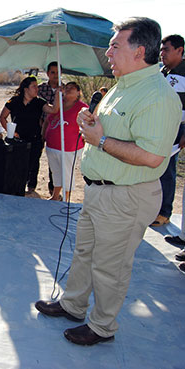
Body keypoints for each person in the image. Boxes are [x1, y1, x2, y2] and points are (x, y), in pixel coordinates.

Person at [35, 18, 181, 346]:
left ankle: (102, 326)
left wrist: (100, 141)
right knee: (85, 252)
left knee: (110, 266)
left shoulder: (158, 95)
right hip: (101, 191)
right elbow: (114, 129)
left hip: (126, 196)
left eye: (115, 45)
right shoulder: (124, 85)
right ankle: (73, 305)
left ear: (140, 50)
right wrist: (93, 122)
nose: (108, 52)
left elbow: (152, 157)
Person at [0, 76, 60, 193]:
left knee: (33, 163)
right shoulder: (14, 101)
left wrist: (57, 95)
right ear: (26, 89)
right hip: (18, 140)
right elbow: (2, 117)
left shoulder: (39, 102)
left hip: (35, 138)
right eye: (34, 86)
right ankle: (17, 184)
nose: (37, 89)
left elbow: (54, 110)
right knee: (17, 163)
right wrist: (10, 131)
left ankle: (31, 186)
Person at [151, 34, 185, 227]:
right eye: (161, 50)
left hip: (175, 129)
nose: (162, 53)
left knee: (167, 170)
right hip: (157, 127)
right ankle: (152, 208)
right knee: (153, 168)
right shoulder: (161, 71)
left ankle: (164, 212)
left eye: (166, 50)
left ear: (180, 50)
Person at [44, 82, 88, 201]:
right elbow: (48, 121)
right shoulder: (59, 105)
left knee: (67, 173)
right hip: (52, 145)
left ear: (78, 92)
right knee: (56, 171)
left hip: (69, 147)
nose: (68, 90)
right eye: (66, 87)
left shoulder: (82, 107)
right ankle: (55, 195)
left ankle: (66, 198)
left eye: (72, 88)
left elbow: (88, 126)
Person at [38, 61, 60, 195]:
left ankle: (53, 188)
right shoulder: (40, 89)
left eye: (58, 72)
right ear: (48, 74)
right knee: (35, 155)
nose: (56, 75)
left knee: (54, 159)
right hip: (40, 127)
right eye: (53, 72)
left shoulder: (65, 89)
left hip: (57, 129)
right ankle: (31, 184)